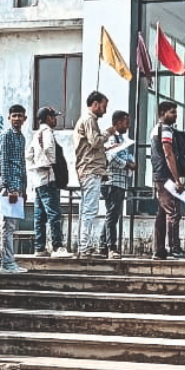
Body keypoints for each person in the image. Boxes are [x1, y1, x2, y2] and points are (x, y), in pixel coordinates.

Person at [73, 91, 115, 258]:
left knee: (86, 209)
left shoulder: (89, 120)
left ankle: (84, 244)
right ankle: (84, 246)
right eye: (103, 106)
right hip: (90, 169)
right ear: (96, 104)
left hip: (89, 168)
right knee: (89, 210)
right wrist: (108, 132)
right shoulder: (89, 119)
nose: (105, 111)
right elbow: (95, 141)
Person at [27, 106, 71, 258]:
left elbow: (28, 156)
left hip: (38, 180)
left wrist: (35, 167)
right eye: (53, 117)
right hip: (48, 178)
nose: (55, 120)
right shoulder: (47, 133)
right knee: (54, 213)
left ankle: (40, 247)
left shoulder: (36, 134)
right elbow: (51, 153)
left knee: (39, 215)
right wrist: (50, 164)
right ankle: (57, 246)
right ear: (48, 118)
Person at [0, 105, 29, 273]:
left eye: (20, 116)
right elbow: (4, 163)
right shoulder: (6, 136)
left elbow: (22, 165)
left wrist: (24, 188)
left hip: (17, 187)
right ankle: (7, 263)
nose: (17, 119)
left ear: (25, 119)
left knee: (7, 226)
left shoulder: (20, 138)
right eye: (14, 116)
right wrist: (9, 187)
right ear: (9, 118)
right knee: (8, 227)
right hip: (10, 187)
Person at [150, 101, 185, 261]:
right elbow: (168, 154)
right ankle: (174, 248)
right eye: (172, 112)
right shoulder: (165, 130)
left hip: (159, 175)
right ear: (163, 113)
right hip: (166, 176)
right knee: (173, 211)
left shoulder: (155, 129)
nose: (175, 115)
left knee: (162, 213)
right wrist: (177, 179)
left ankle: (159, 249)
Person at [100, 110, 135, 259]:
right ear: (119, 122)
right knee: (112, 216)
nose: (128, 126)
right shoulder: (110, 139)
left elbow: (127, 155)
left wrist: (131, 162)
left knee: (112, 215)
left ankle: (103, 245)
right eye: (126, 122)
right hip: (112, 181)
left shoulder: (122, 140)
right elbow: (110, 156)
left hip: (120, 181)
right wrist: (126, 164)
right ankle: (111, 247)